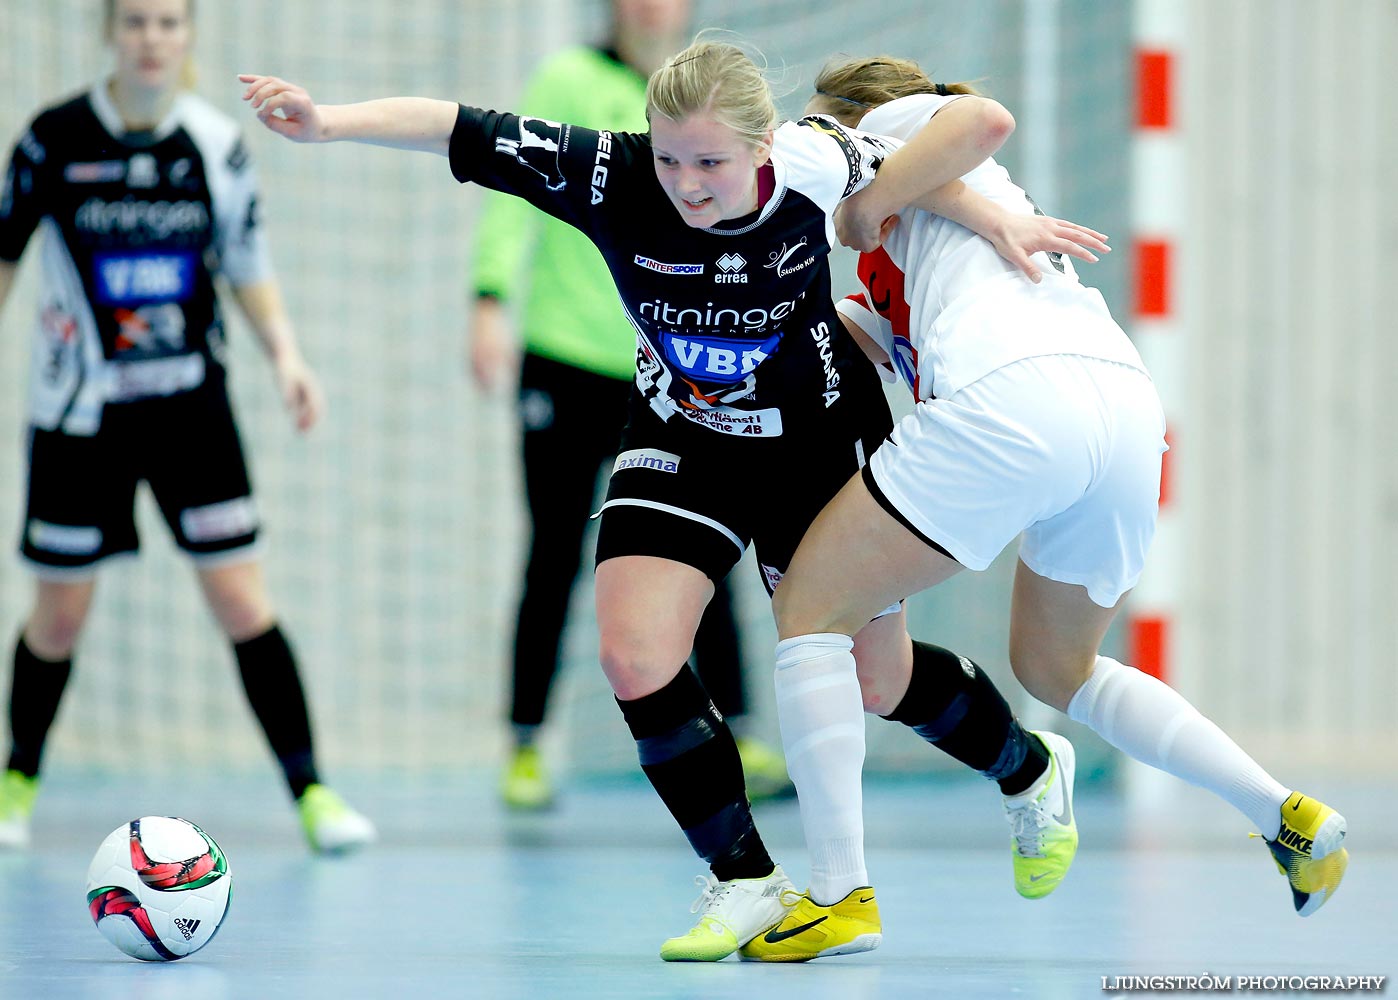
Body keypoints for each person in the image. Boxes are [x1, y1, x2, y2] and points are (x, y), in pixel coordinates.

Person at [238, 35, 1103, 960]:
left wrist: (980, 216)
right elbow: (461, 129)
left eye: (712, 164)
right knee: (633, 652)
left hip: (815, 440)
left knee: (874, 680)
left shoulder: (815, 157)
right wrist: (327, 123)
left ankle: (1027, 763)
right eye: (671, 158)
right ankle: (745, 881)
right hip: (681, 434)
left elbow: (963, 133)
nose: (689, 185)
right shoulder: (607, 175)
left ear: (764, 148)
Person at [742, 54, 1350, 959]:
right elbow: (849, 333)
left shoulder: (896, 132)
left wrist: (860, 198)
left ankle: (839, 895)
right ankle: (1286, 817)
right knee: (1057, 668)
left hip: (1013, 396)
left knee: (810, 610)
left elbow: (982, 117)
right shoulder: (919, 248)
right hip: (1120, 408)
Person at [0, 0, 375, 854]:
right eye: (135, 22)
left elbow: (246, 263)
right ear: (110, 32)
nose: (151, 38)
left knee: (243, 600)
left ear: (189, 35)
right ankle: (16, 783)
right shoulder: (51, 139)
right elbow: (7, 258)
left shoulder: (214, 142)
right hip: (77, 415)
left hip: (190, 411)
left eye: (169, 22)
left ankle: (313, 793)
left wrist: (286, 356)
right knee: (57, 615)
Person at [468, 0, 791, 810]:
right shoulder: (570, 78)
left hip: (672, 371)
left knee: (702, 551)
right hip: (565, 358)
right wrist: (488, 294)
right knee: (553, 551)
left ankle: (739, 733)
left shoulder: (709, 106)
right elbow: (511, 186)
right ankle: (526, 745)